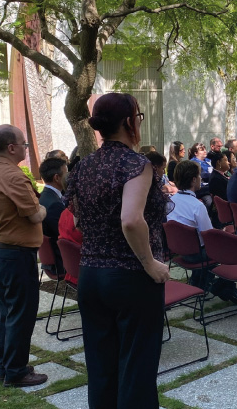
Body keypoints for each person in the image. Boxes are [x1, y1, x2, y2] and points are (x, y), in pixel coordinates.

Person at [65, 92, 171, 408]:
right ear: (128, 122)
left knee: (101, 367)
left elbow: (78, 220)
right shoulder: (136, 164)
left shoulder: (84, 166)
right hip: (131, 278)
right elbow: (130, 220)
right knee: (137, 367)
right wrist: (150, 262)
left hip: (91, 276)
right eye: (138, 118)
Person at [0, 124, 48, 387]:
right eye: (23, 144)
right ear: (11, 148)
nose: (26, 148)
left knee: (8, 312)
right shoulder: (13, 176)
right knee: (21, 314)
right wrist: (44, 208)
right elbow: (34, 214)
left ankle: (6, 365)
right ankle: (16, 371)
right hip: (15, 255)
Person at [167, 161, 237, 304]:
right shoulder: (197, 205)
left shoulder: (170, 201)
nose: (201, 179)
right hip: (198, 254)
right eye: (198, 176)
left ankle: (200, 282)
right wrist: (223, 234)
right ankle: (225, 286)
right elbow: (209, 237)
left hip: (180, 251)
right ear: (193, 179)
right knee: (232, 249)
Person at [39, 157, 69, 276]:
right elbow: (65, 234)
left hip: (52, 260)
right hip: (62, 261)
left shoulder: (44, 197)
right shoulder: (54, 204)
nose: (69, 177)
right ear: (57, 177)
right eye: (66, 173)